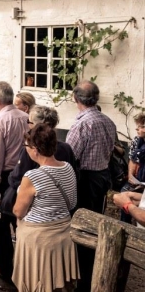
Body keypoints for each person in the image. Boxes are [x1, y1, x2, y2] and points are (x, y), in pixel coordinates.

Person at [12, 124, 79, 292]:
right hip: (63, 236)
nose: (26, 149)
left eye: (26, 146)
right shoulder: (67, 167)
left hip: (39, 241)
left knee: (38, 284)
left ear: (35, 149)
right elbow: (72, 203)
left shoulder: (32, 176)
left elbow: (18, 211)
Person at [65, 81, 115, 291]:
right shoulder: (108, 121)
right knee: (95, 222)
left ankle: (83, 279)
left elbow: (70, 156)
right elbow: (112, 149)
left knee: (83, 224)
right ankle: (91, 269)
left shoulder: (82, 124)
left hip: (86, 178)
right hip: (103, 176)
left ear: (76, 99)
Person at [0, 81, 27, 281]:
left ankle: (6, 268)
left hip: (5, 178)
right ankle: (24, 267)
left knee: (1, 225)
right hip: (26, 176)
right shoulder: (26, 117)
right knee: (21, 224)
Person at [7, 106, 77, 206]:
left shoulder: (30, 150)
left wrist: (10, 177)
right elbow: (74, 177)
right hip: (61, 205)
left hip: (36, 206)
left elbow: (17, 179)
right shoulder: (66, 148)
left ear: (37, 126)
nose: (28, 125)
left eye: (29, 122)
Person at [119, 113, 145, 222]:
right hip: (137, 179)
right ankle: (125, 223)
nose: (137, 128)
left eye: (141, 126)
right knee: (123, 194)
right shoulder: (137, 141)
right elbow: (132, 160)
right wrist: (130, 175)